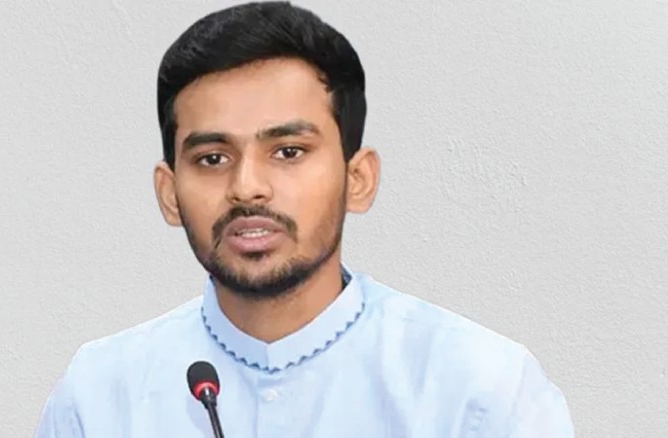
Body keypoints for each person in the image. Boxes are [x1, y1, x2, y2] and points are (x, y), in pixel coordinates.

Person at [35, 2, 574, 436]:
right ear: (169, 193)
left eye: (288, 152)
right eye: (213, 158)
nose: (247, 186)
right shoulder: (101, 394)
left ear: (357, 179)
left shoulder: (478, 388)